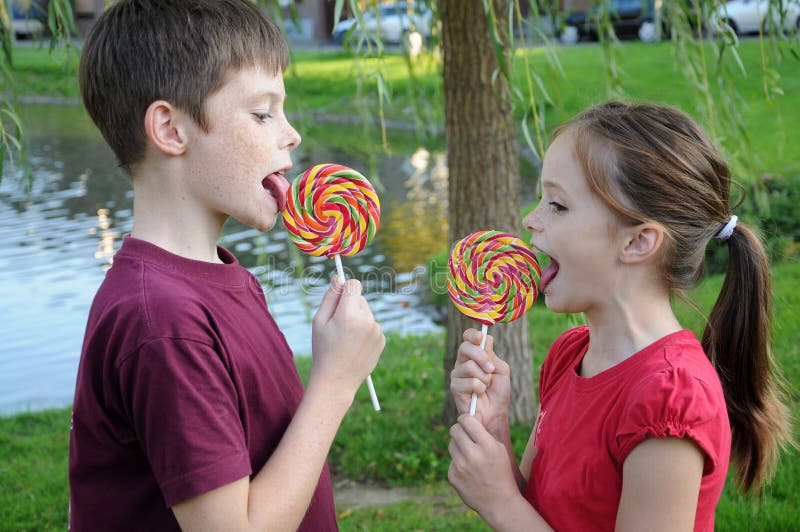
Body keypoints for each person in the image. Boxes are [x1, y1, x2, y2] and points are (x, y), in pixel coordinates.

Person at [68, 1, 385, 530]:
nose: (291, 134)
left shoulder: (222, 276)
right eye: (262, 113)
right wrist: (335, 383)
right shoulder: (163, 324)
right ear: (170, 130)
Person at [447, 101, 794, 531]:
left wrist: (499, 504)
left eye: (557, 205)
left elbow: (514, 515)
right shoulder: (570, 356)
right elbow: (542, 512)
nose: (530, 219)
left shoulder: (670, 401)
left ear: (637, 243)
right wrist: (494, 426)